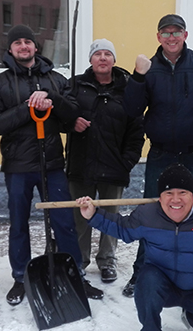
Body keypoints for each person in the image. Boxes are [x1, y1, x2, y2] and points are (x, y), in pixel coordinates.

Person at [0, 24, 103, 305]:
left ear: (36, 47)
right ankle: (20, 276)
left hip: (52, 164)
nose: (23, 46)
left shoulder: (56, 79)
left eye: (28, 42)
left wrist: (52, 99)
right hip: (18, 167)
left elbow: (72, 114)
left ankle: (76, 275)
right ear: (10, 49)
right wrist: (27, 108)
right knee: (18, 224)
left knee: (64, 221)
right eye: (18, 43)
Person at [121, 13, 193, 297]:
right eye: (166, 33)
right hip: (161, 155)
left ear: (186, 35)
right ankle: (143, 272)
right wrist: (137, 77)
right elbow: (132, 109)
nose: (171, 38)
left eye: (177, 32)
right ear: (158, 37)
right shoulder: (149, 69)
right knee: (152, 214)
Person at [76, 163, 193, 331]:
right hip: (162, 286)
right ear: (160, 197)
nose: (176, 200)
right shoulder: (147, 215)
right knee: (146, 279)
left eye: (182, 193)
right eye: (169, 193)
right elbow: (123, 229)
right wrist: (93, 216)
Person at [66, 38, 145, 283]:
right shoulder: (76, 85)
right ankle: (79, 260)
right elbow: (61, 115)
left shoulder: (127, 89)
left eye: (107, 54)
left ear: (113, 60)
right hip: (82, 163)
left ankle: (107, 260)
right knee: (80, 216)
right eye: (97, 54)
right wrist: (71, 121)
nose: (102, 58)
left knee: (111, 216)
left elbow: (136, 130)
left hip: (114, 164)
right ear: (90, 59)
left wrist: (127, 162)